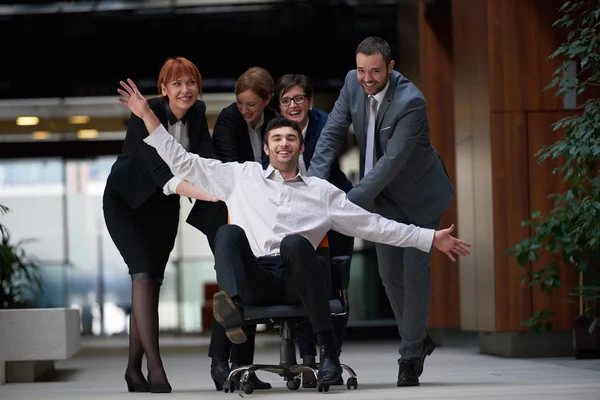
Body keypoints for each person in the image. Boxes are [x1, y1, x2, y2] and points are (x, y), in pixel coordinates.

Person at [116, 77, 471, 385]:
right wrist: (148, 114)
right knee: (228, 234)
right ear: (266, 148)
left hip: (300, 276)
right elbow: (182, 161)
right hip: (256, 276)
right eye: (277, 139)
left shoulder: (323, 192)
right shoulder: (241, 177)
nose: (284, 144)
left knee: (296, 244)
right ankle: (235, 310)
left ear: (300, 146)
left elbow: (375, 226)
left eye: (290, 138)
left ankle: (327, 355)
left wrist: (429, 237)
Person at [307, 36, 456, 386]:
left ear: (390, 67)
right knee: (389, 275)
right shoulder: (350, 82)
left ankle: (409, 358)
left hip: (419, 195)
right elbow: (331, 133)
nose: (366, 78)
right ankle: (417, 338)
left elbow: (390, 163)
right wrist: (311, 187)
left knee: (414, 273)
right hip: (384, 198)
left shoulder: (411, 101)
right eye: (361, 70)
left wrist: (348, 204)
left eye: (375, 71)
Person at [102, 58, 219, 394]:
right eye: (177, 84)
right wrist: (204, 194)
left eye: (191, 83)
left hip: (164, 207)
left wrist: (226, 180)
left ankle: (132, 371)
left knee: (152, 281)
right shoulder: (145, 112)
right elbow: (160, 173)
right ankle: (155, 366)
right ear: (164, 90)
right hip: (126, 203)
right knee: (141, 274)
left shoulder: (197, 112)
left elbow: (206, 156)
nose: (186, 90)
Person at [273, 73, 353, 388]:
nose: (293, 105)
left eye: (299, 98)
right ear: (278, 105)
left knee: (336, 284)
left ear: (310, 101)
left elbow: (320, 168)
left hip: (333, 210)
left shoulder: (326, 124)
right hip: (298, 217)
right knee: (305, 282)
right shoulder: (277, 132)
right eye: (286, 100)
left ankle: (331, 354)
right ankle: (307, 359)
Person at [206, 66, 278, 391]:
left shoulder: (275, 120)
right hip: (227, 213)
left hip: (261, 216)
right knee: (231, 288)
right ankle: (220, 363)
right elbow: (228, 168)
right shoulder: (228, 120)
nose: (245, 110)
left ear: (267, 100)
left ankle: (243, 368)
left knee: (247, 285)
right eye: (240, 103)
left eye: (251, 104)